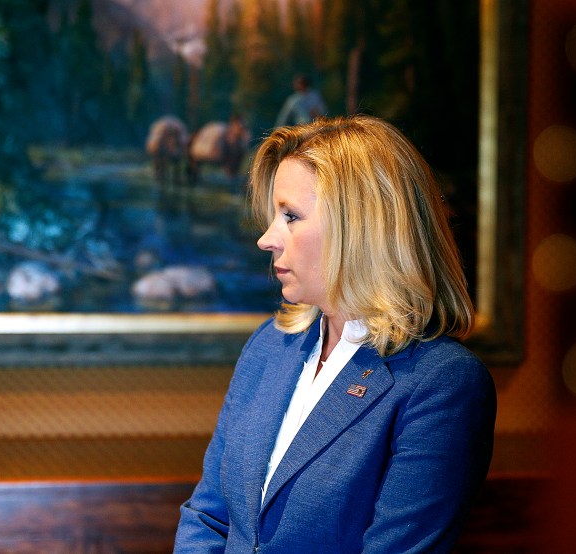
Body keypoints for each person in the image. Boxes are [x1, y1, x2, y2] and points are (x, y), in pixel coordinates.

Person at [174, 115, 496, 553]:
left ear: (361, 227)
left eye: (290, 216)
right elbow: (208, 516)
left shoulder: (443, 383)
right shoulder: (270, 344)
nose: (266, 239)